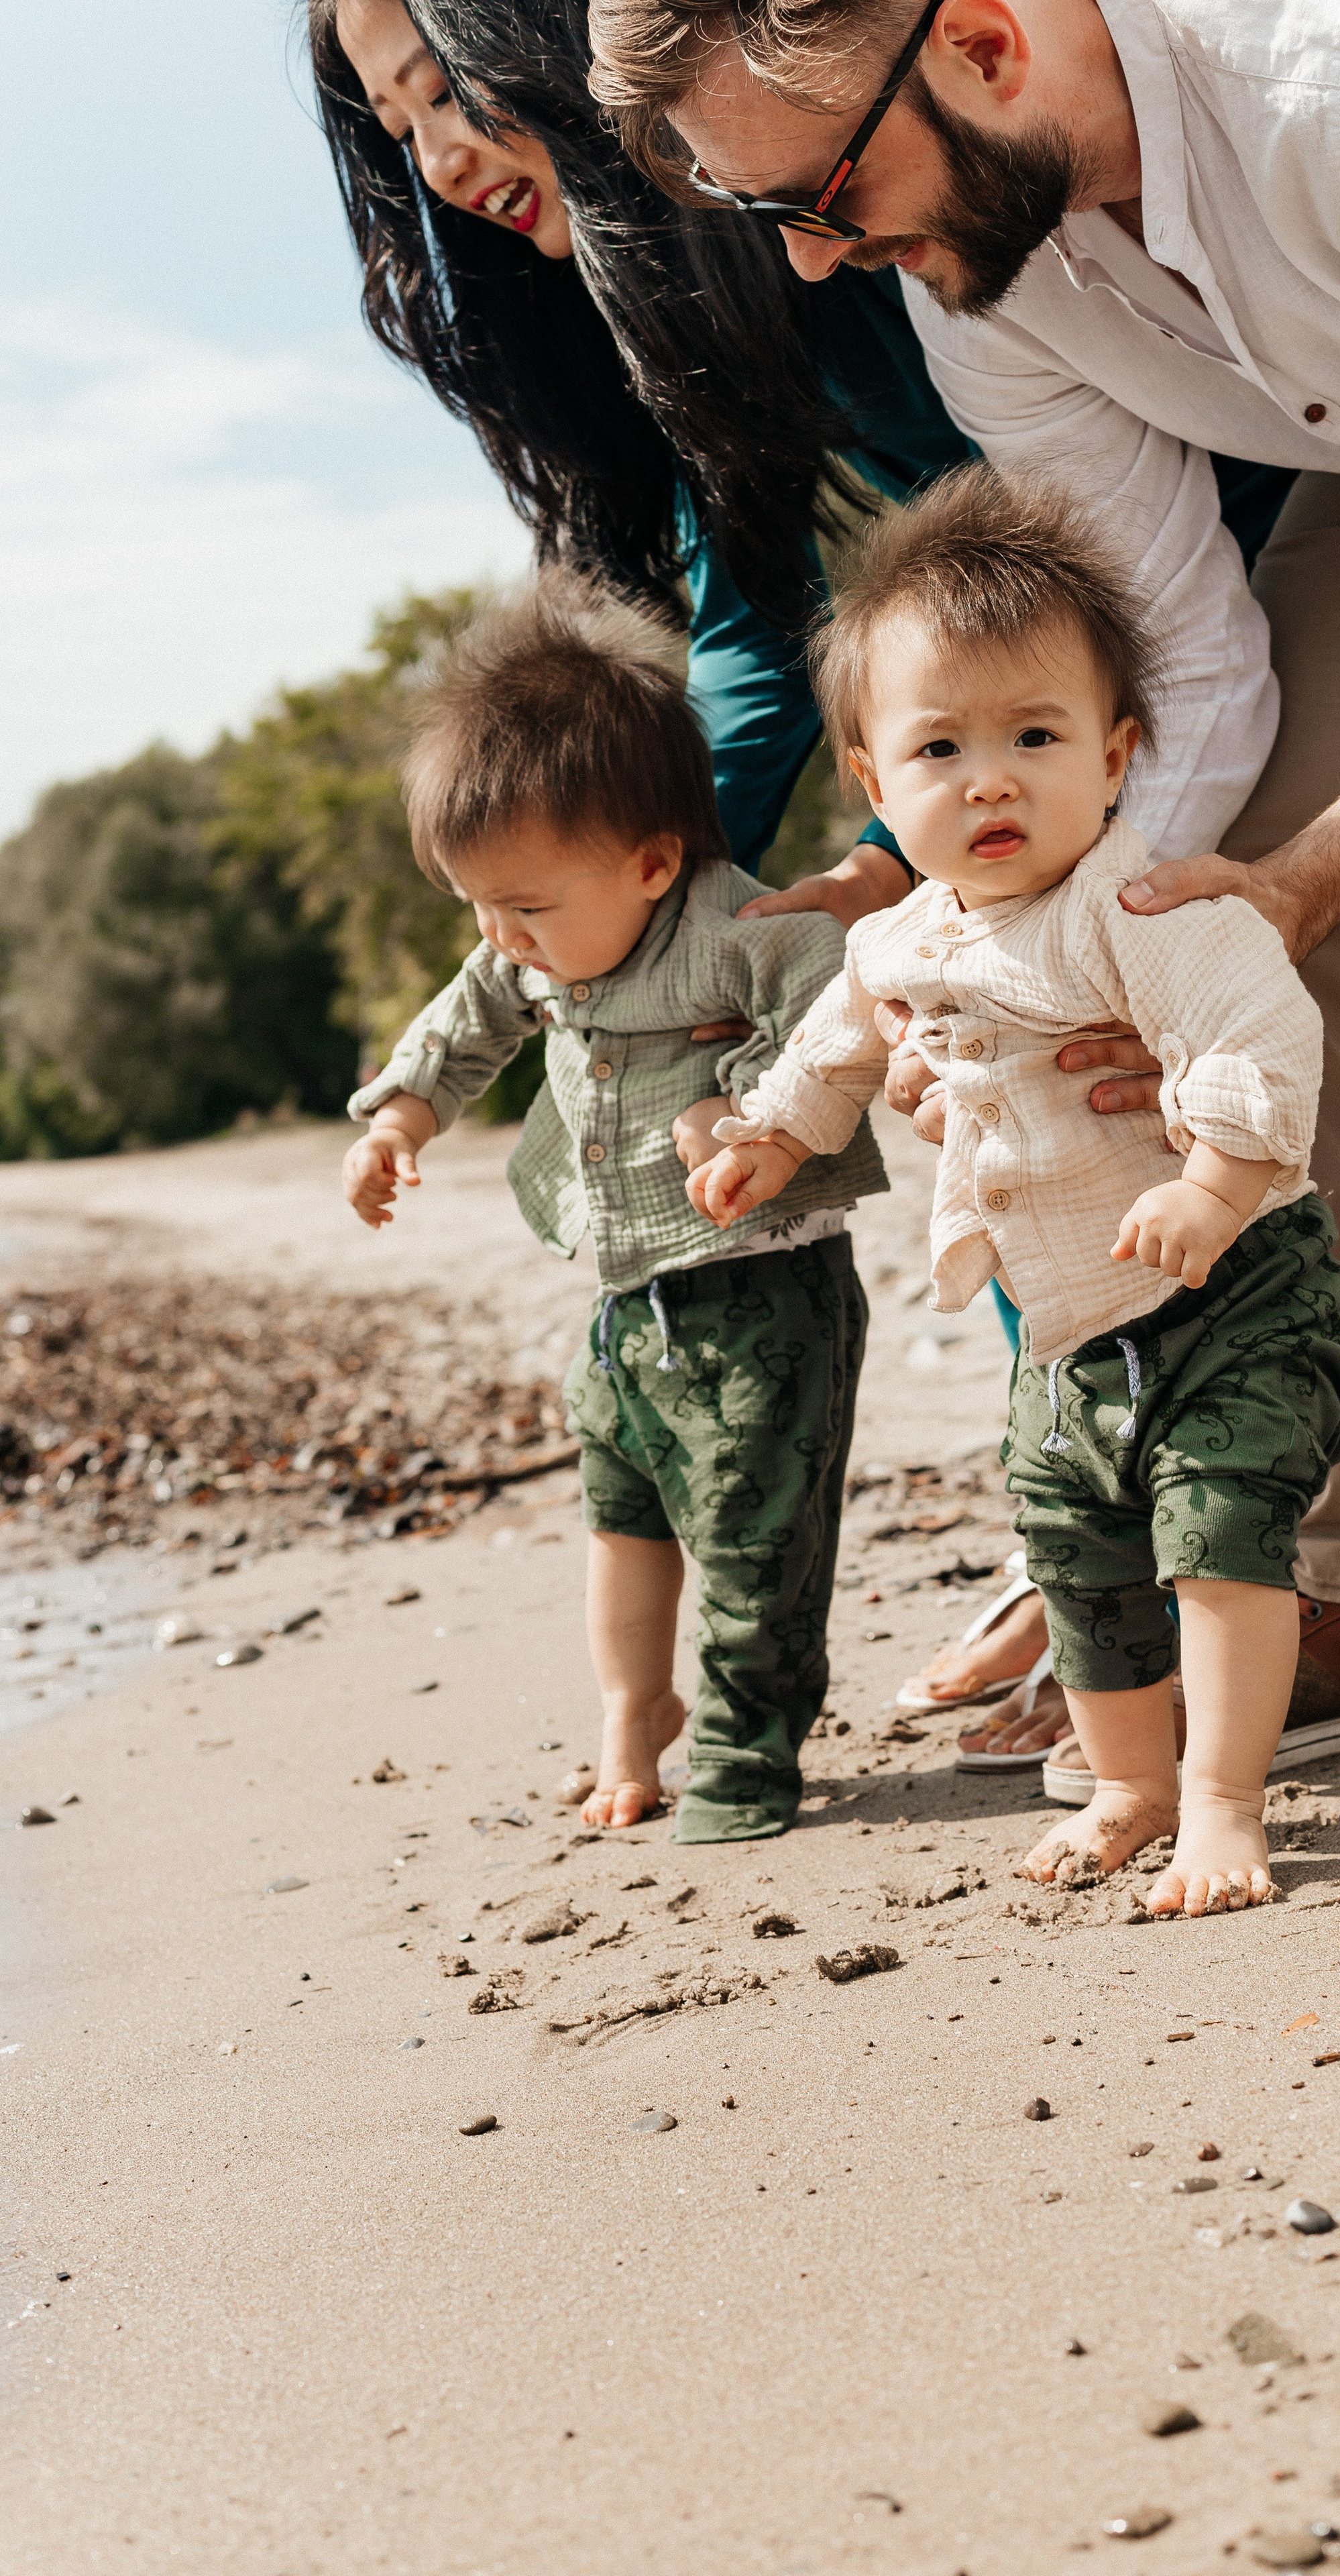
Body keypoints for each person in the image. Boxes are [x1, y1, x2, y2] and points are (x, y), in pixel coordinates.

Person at [313, 0, 1340, 1788]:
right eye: (392, 127)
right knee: (1052, 1108)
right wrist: (679, 877)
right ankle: (1299, 1572)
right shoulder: (704, 258)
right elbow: (749, 614)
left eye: (444, 90)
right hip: (1008, 727)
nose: (440, 156)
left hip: (1247, 559)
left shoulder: (858, 157)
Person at [691, 468, 1340, 1907]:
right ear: (873, 785)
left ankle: (1224, 1800)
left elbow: (1259, 1031)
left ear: (1114, 758)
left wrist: (1216, 1183)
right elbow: (836, 1049)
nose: (989, 779)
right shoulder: (896, 942)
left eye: (1034, 736)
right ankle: (1125, 1784)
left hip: (1227, 1286)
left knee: (1215, 1537)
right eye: (938, 748)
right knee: (1081, 1557)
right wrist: (769, 1138)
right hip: (1060, 1331)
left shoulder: (1135, 908)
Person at [341, 583, 885, 1841]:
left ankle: (750, 1748)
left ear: (652, 862)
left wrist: (755, 1109)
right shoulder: (537, 941)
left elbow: (836, 1014)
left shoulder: (741, 931)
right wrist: (401, 1120)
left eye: (526, 908)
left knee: (758, 1541)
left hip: (765, 1290)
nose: (503, 936)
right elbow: (467, 1019)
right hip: (625, 1297)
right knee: (622, 1511)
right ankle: (632, 1716)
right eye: (480, 906)